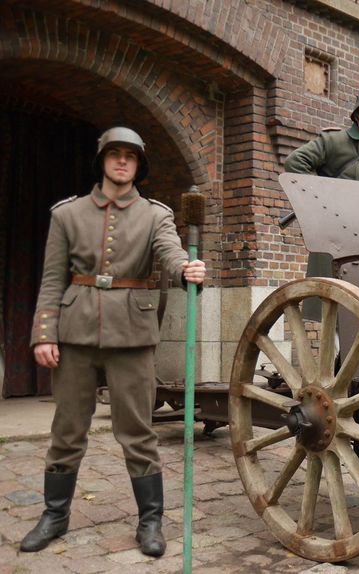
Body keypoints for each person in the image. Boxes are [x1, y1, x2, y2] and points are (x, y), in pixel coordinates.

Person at [20, 127, 206, 557]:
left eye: (131, 156)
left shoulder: (155, 215)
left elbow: (170, 252)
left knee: (137, 432)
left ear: (139, 165)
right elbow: (51, 280)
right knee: (67, 430)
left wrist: (184, 270)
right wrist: (44, 333)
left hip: (132, 334)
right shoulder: (67, 215)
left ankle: (150, 521)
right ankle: (55, 515)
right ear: (102, 160)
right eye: (114, 154)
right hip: (76, 330)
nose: (122, 161)